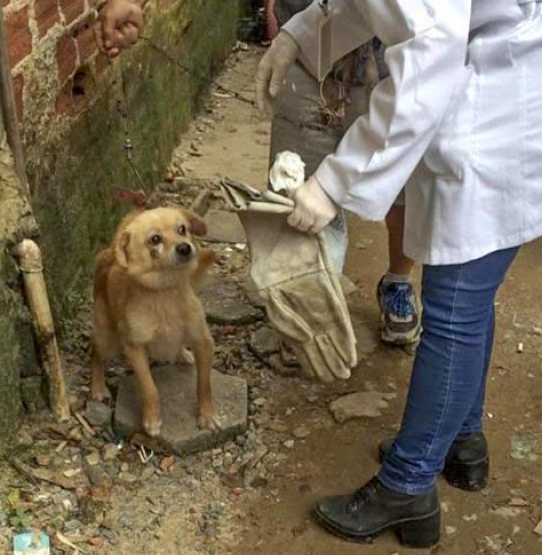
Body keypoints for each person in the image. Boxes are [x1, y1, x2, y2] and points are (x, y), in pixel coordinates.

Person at [101, 0, 542, 547]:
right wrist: (307, 29)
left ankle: (409, 486)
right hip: (524, 53)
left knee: (453, 300)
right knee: (468, 288)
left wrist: (331, 183)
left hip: (533, 79)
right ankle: (461, 442)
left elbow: (429, 49)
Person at [96, 0, 423, 348]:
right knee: (297, 196)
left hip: (400, 55)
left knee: (403, 190)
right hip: (309, 46)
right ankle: (309, 302)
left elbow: (436, 43)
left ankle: (397, 281)